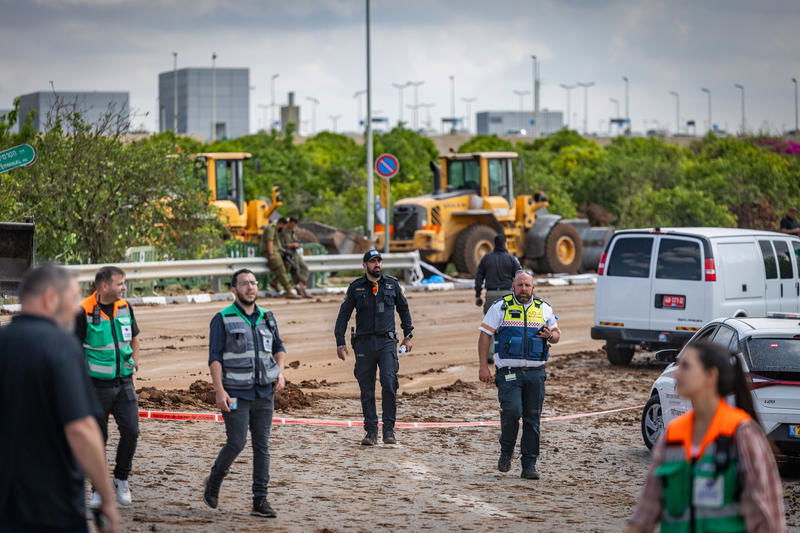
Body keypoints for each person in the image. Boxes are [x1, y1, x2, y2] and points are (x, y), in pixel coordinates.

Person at [0, 264, 119, 533]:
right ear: (51, 297)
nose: (77, 309)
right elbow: (80, 429)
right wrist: (107, 497)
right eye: (73, 298)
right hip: (50, 505)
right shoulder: (61, 346)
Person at [628, 341, 787, 533]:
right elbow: (646, 512)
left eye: (686, 366)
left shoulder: (742, 433)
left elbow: (768, 517)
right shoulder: (673, 432)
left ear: (711, 376)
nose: (676, 373)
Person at [203, 269, 286, 519]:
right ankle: (215, 479)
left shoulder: (267, 317)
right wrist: (219, 391)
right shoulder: (222, 318)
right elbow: (215, 358)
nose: (250, 287)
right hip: (236, 392)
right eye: (244, 284)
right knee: (237, 442)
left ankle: (260, 500)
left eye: (253, 283)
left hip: (264, 393)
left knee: (262, 446)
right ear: (233, 289)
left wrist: (280, 373)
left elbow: (279, 348)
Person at [478, 269, 560, 480]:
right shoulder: (500, 307)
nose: (524, 289)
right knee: (512, 413)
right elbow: (485, 335)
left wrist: (551, 335)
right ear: (513, 287)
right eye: (520, 285)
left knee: (532, 419)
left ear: (534, 288)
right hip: (509, 373)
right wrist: (483, 366)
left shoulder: (544, 308)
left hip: (536, 374)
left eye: (527, 285)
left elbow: (557, 334)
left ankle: (529, 465)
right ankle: (506, 452)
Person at [334, 249, 414, 446]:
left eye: (379, 261)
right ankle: (371, 432)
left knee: (388, 383)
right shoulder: (356, 287)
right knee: (367, 389)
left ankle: (389, 431)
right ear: (365, 266)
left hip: (387, 343)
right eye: (372, 262)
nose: (377, 264)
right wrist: (340, 342)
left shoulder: (392, 284)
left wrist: (408, 335)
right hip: (364, 344)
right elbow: (343, 315)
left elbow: (403, 309)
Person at [75, 266, 140, 508]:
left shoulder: (125, 306)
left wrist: (135, 364)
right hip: (95, 387)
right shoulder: (82, 311)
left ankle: (121, 479)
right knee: (97, 440)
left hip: (124, 384)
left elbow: (134, 336)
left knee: (131, 431)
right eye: (120, 283)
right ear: (104, 287)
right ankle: (98, 490)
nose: (124, 287)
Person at [475, 234, 521, 313]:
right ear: (505, 244)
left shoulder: (486, 258)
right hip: (508, 294)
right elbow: (520, 277)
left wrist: (478, 295)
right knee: (508, 321)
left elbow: (479, 277)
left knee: (490, 323)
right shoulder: (511, 258)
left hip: (491, 294)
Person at [260, 217, 300, 300]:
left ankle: (275, 282)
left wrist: (284, 252)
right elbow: (270, 241)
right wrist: (271, 254)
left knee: (288, 264)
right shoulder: (272, 228)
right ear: (282, 224)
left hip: (277, 250)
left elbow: (277, 243)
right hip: (270, 251)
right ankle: (288, 290)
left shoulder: (277, 229)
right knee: (280, 268)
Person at [279, 216, 312, 299]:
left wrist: (297, 244)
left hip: (295, 253)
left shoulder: (292, 232)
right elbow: (280, 245)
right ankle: (299, 288)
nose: (294, 226)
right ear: (290, 222)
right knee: (296, 270)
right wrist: (290, 245)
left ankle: (301, 286)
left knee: (305, 268)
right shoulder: (283, 232)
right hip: (288, 253)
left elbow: (294, 240)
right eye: (293, 224)